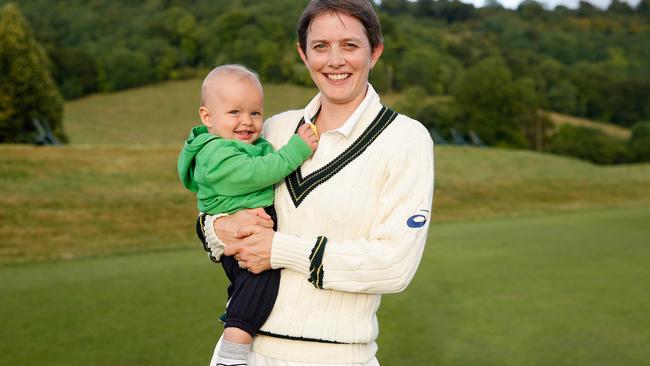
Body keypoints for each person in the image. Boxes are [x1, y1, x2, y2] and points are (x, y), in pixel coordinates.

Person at [200, 1, 435, 364]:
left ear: (375, 52)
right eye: (321, 46)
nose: (335, 60)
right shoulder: (274, 128)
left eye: (350, 45)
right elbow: (212, 211)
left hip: (336, 355)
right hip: (240, 352)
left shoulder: (405, 139)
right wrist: (221, 226)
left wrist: (281, 250)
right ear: (303, 54)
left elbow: (394, 266)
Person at [178, 64, 319, 366]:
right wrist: (296, 149)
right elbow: (259, 172)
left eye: (255, 113)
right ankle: (233, 351)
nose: (247, 122)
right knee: (259, 283)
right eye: (235, 113)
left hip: (250, 229)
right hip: (242, 236)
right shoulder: (216, 154)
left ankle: (236, 316)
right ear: (207, 117)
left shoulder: (240, 145)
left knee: (247, 287)